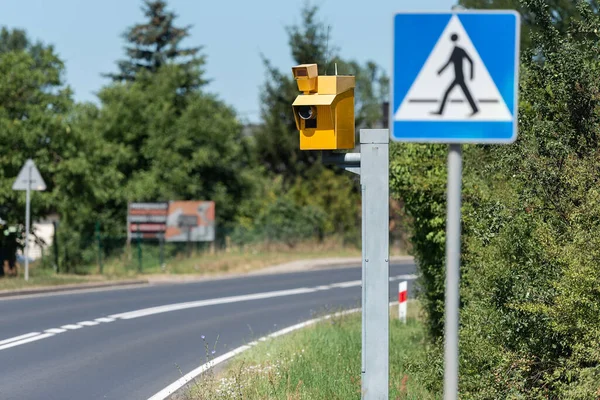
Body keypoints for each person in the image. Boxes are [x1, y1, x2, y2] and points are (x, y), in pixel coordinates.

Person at [432, 33, 479, 116]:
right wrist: (440, 71)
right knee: (464, 93)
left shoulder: (459, 50)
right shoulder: (455, 50)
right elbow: (449, 62)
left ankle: (440, 111)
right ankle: (475, 109)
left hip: (459, 77)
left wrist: (471, 75)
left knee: (449, 92)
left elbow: (471, 61)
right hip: (457, 77)